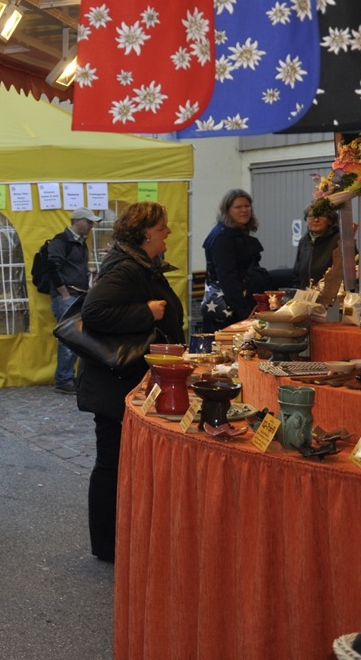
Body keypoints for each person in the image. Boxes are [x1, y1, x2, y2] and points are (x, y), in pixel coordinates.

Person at [77, 201, 184, 563]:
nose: (168, 231)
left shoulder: (141, 265)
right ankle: (106, 545)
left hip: (122, 381)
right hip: (114, 383)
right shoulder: (126, 268)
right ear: (144, 233)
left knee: (118, 462)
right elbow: (94, 312)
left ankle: (119, 537)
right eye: (162, 226)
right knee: (111, 463)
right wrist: (147, 313)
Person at [47, 207, 101, 394]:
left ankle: (67, 377)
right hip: (68, 296)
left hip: (75, 295)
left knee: (73, 338)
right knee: (69, 338)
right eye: (89, 221)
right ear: (77, 220)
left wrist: (88, 272)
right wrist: (63, 293)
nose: (91, 226)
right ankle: (64, 379)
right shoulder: (61, 241)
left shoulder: (78, 242)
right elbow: (52, 267)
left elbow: (63, 267)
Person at [201, 189, 271, 331]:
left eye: (247, 206)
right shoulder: (223, 238)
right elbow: (227, 278)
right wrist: (244, 312)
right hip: (230, 308)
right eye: (238, 207)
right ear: (227, 210)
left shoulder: (234, 233)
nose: (244, 210)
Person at [293, 205, 341, 288]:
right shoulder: (303, 241)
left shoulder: (340, 240)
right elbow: (297, 273)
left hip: (331, 296)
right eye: (311, 216)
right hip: (305, 296)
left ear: (330, 220)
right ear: (306, 220)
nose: (316, 220)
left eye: (321, 216)